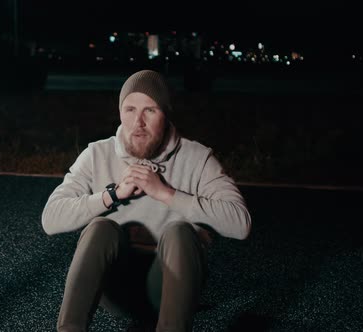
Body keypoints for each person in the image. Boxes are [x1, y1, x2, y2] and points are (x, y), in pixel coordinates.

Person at [41, 70, 251, 332]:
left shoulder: (196, 157)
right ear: (120, 113)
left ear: (165, 113)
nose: (138, 122)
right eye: (130, 109)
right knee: (100, 228)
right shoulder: (97, 154)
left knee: (180, 232)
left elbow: (241, 224)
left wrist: (165, 193)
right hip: (114, 290)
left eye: (149, 110)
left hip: (168, 289)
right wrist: (112, 195)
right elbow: (50, 219)